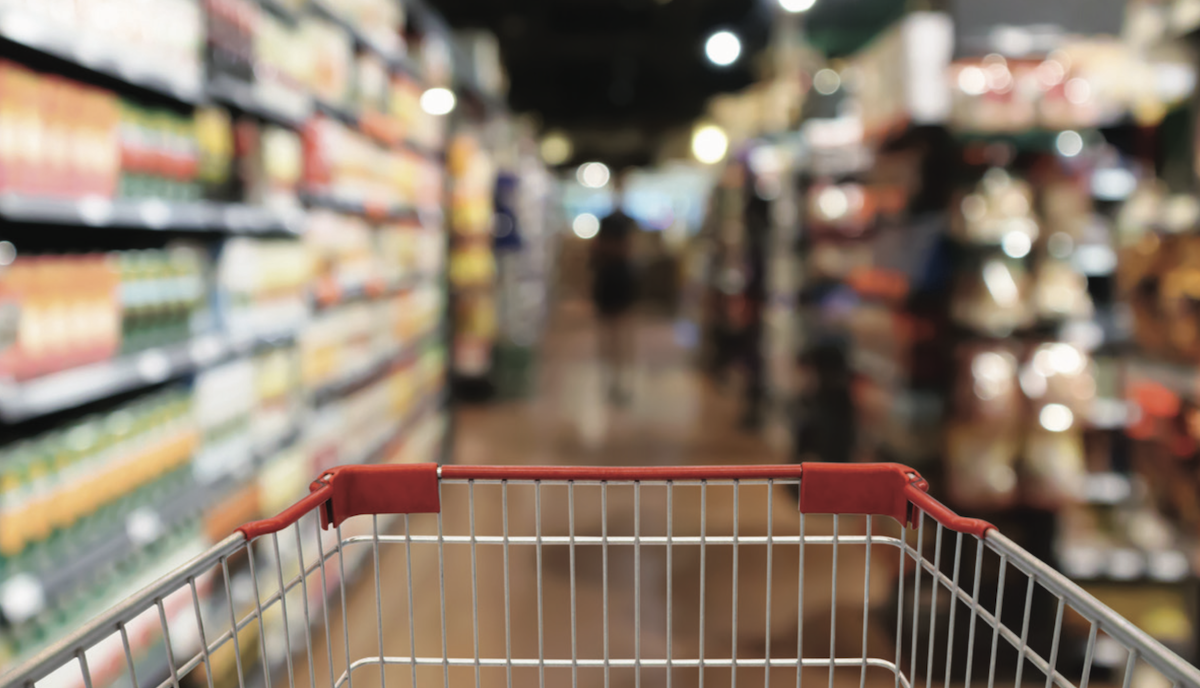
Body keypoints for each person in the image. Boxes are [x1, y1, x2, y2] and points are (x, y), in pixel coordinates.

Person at [591, 175, 639, 403]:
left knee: (623, 331)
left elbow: (631, 250)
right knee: (608, 332)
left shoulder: (629, 221)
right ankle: (610, 377)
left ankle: (622, 378)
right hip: (609, 280)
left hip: (621, 280)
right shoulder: (607, 220)